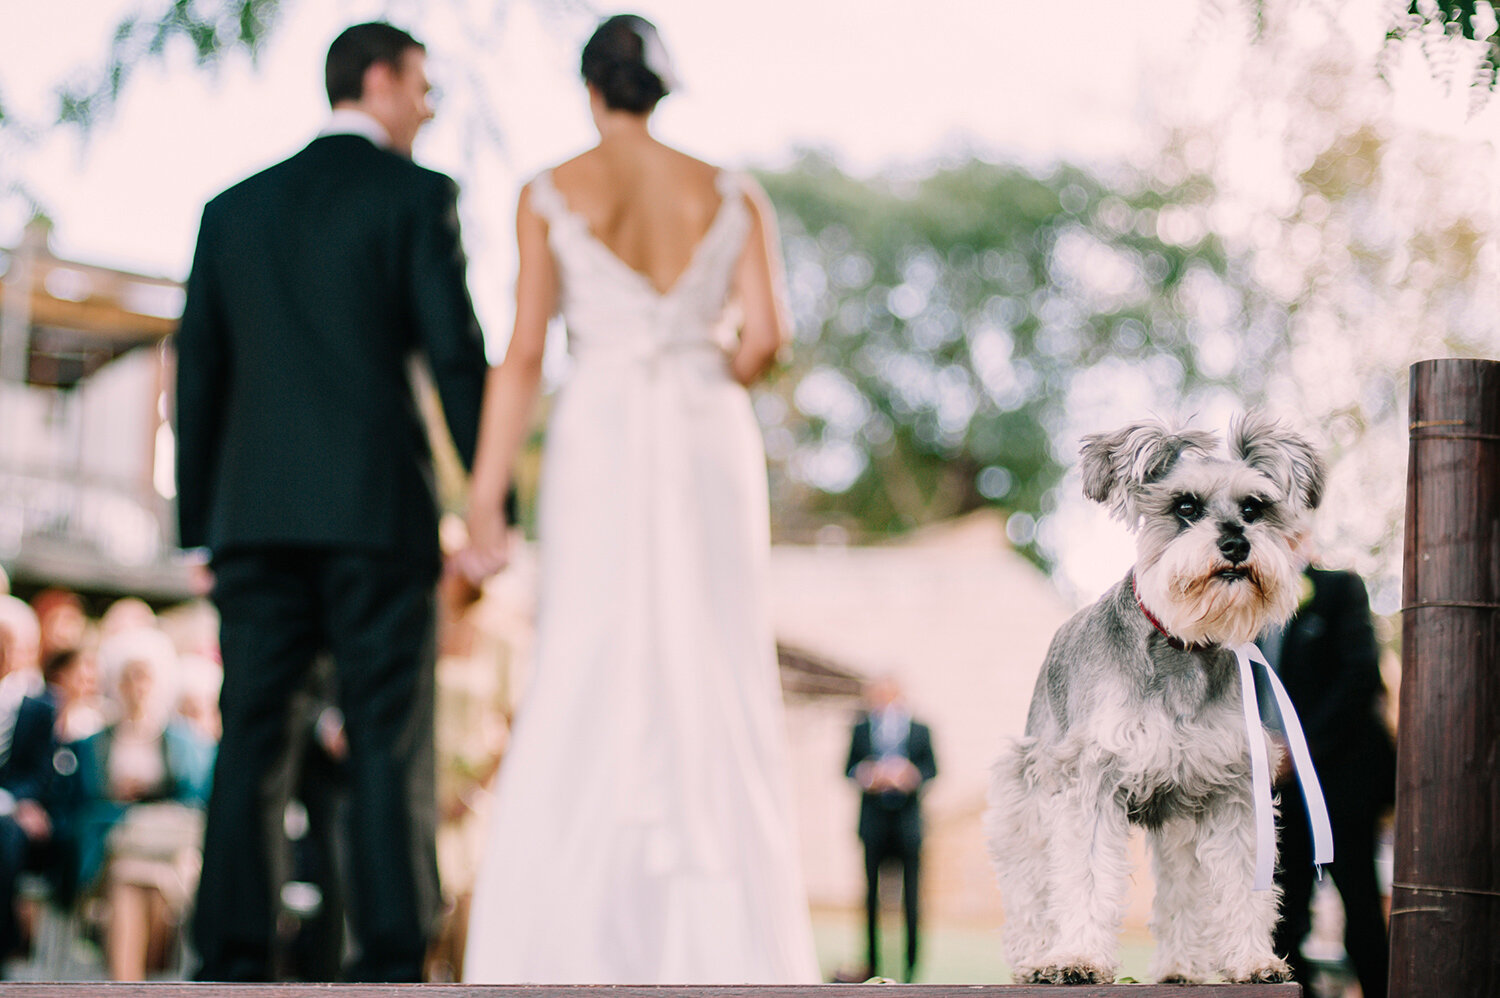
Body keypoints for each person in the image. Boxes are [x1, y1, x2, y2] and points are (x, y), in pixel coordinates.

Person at [459, 14, 817, 983]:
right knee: (717, 659)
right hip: (707, 429)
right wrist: (719, 352)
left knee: (587, 650)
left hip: (602, 429)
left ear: (590, 90)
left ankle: (568, 936)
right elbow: (766, 338)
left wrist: (484, 494)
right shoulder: (735, 190)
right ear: (663, 91)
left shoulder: (547, 190)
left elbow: (525, 351)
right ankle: (724, 939)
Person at [173, 20, 489, 982]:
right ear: (381, 79)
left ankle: (230, 958)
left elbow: (199, 380)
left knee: (253, 738)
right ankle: (390, 959)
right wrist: (487, 504)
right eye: (425, 86)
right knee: (389, 739)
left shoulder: (232, 210)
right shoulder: (417, 197)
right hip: (375, 518)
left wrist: (197, 527)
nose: (431, 107)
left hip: (253, 524)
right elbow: (455, 356)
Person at [1262, 566, 1395, 998]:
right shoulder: (1244, 605)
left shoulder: (1340, 589)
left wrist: (1297, 751)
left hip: (1342, 788)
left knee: (1361, 914)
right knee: (1283, 923)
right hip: (1276, 795)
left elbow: (1361, 677)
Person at [77, 628, 215, 981]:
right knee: (129, 881)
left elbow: (195, 800)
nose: (138, 686)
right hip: (113, 851)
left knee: (153, 884)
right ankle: (130, 984)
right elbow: (81, 805)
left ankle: (130, 983)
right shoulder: (95, 743)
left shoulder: (183, 742)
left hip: (171, 854)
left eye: (145, 676)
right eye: (129, 676)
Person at [845, 675, 937, 983]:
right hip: (873, 824)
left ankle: (911, 967)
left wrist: (911, 776)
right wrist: (868, 775)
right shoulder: (860, 728)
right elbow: (848, 767)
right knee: (871, 898)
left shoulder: (920, 729)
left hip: (908, 826)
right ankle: (872, 964)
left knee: (911, 899)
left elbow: (932, 768)